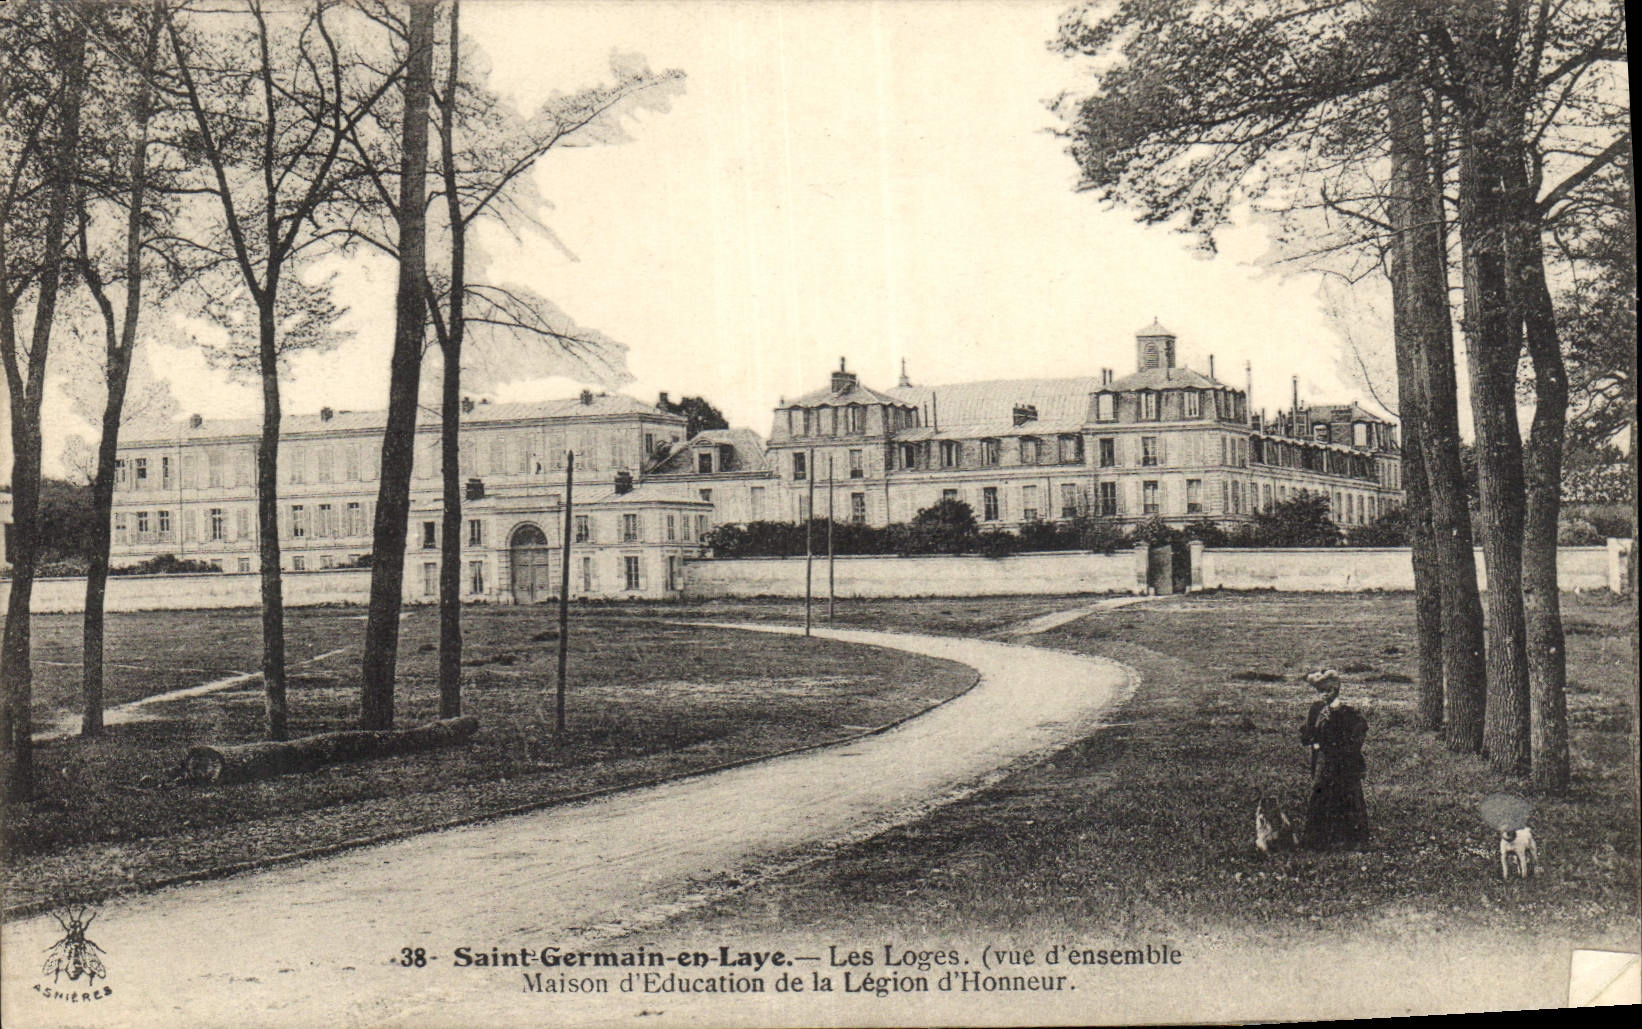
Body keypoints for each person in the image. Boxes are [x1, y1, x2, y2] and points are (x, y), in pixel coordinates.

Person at [1299, 669, 1370, 850]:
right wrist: (1312, 731)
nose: (1324, 695)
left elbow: (1356, 737)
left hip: (1344, 763)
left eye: (1328, 691)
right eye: (1320, 691)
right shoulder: (1316, 710)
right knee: (1321, 794)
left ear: (1336, 689)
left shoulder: (1349, 714)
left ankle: (1350, 840)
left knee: (1347, 796)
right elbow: (1307, 737)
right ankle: (1318, 840)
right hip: (1323, 762)